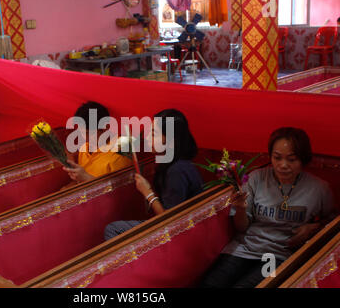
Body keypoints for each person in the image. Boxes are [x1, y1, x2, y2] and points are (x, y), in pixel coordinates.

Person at [200, 127, 337, 288]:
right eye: (277, 158)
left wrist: (313, 228)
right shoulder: (257, 178)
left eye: (291, 159)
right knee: (210, 284)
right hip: (245, 248)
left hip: (279, 255)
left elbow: (332, 224)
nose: (283, 165)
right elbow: (241, 227)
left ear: (303, 159)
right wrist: (241, 209)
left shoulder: (319, 189)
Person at [104, 109, 204, 240]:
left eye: (153, 134)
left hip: (183, 234)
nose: (147, 138)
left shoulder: (177, 170)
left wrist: (148, 193)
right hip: (180, 227)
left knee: (113, 229)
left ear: (170, 141)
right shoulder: (174, 163)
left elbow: (169, 220)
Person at [63, 101, 133, 183]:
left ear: (105, 127)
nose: (84, 137)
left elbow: (119, 192)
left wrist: (86, 178)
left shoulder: (120, 155)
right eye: (80, 132)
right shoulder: (84, 148)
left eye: (88, 133)